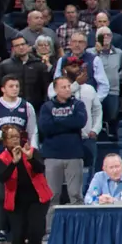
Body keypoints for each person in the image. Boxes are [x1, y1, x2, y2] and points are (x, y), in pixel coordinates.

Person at [0, 125, 49, 244]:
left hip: (37, 199)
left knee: (35, 233)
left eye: (17, 136)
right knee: (18, 235)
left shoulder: (31, 152)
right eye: (11, 137)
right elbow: (2, 177)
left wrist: (30, 158)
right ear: (5, 141)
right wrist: (14, 163)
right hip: (16, 201)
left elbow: (40, 169)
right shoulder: (1, 159)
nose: (15, 139)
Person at [38, 76, 89, 206]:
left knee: (76, 195)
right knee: (52, 195)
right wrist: (68, 123)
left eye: (68, 86)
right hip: (52, 156)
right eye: (63, 87)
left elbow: (80, 122)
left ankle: (78, 226)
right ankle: (50, 227)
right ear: (55, 90)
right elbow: (45, 128)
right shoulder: (47, 107)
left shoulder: (78, 104)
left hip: (74, 155)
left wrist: (57, 122)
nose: (67, 89)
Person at [0, 74, 39, 145]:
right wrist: (4, 135)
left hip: (20, 151)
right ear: (3, 89)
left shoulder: (27, 106)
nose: (15, 88)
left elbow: (33, 132)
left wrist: (33, 150)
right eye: (11, 86)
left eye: (17, 86)